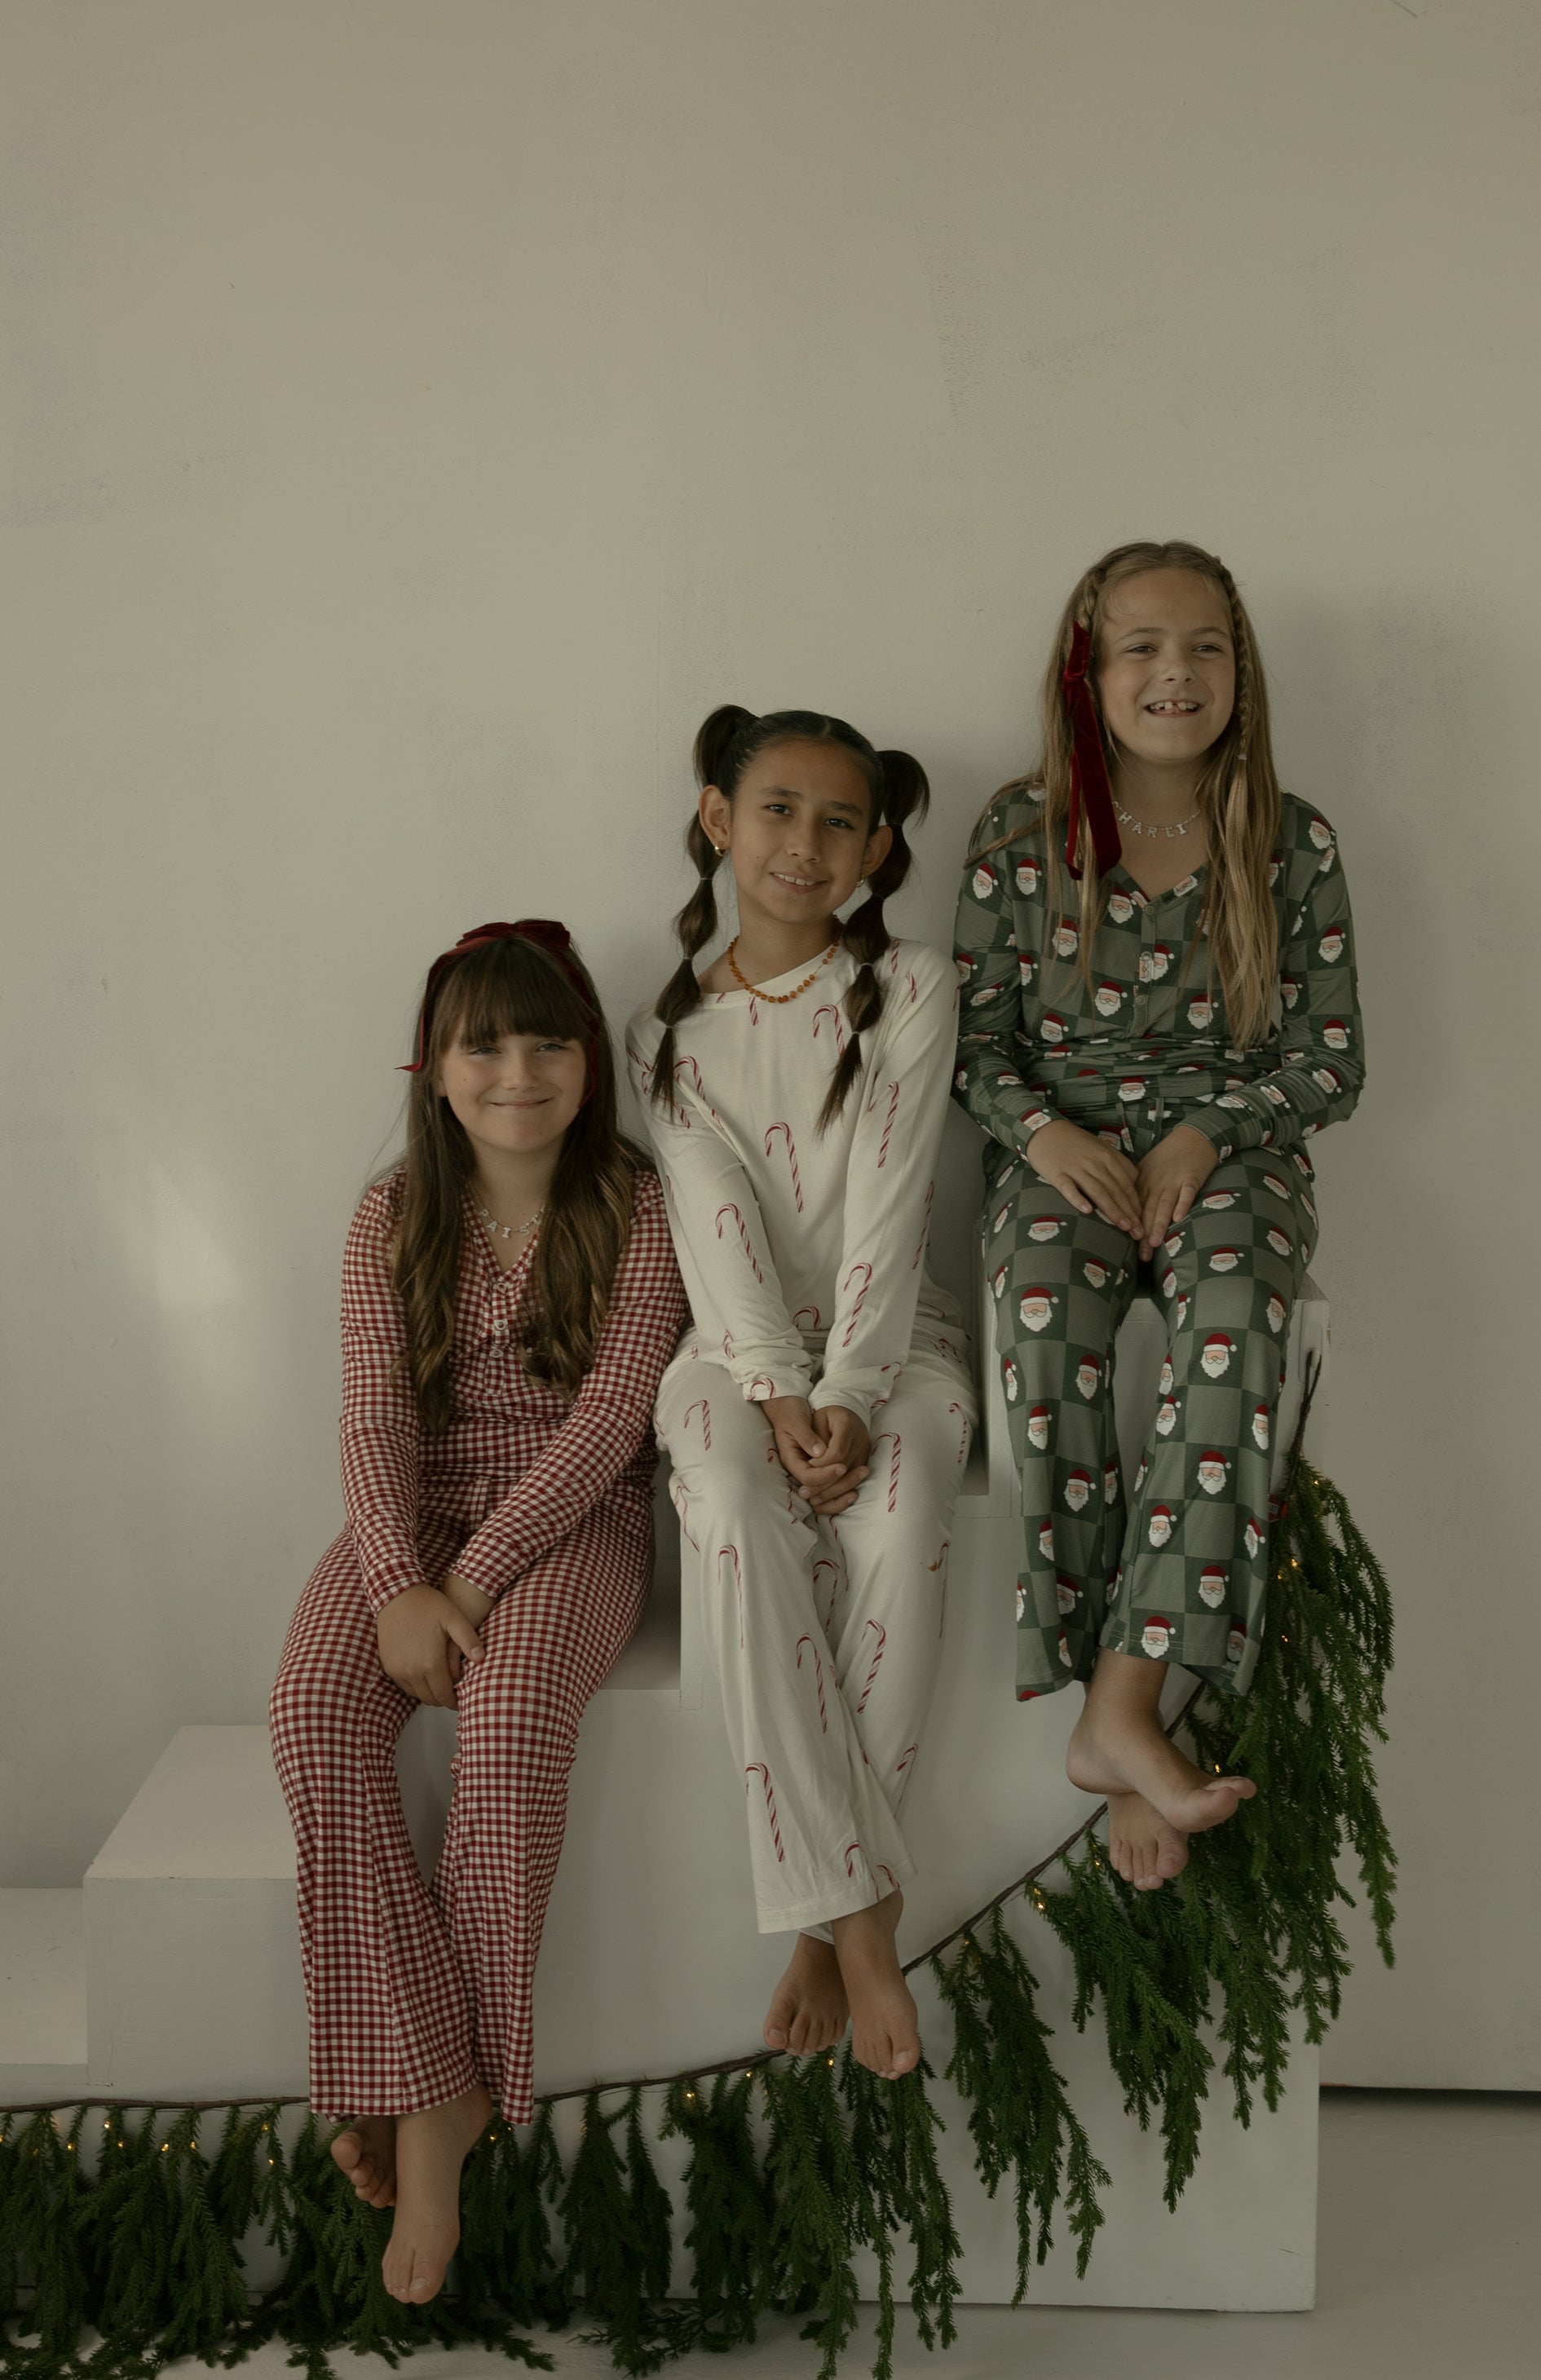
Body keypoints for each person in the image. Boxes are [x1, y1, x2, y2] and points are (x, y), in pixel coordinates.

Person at [270, 920, 686, 2305]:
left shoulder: (638, 1202)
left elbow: (609, 1423)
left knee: (505, 1730)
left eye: (548, 1040)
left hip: (571, 1525)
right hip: (415, 1518)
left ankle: (443, 2121)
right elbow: (372, 1412)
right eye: (485, 1044)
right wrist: (397, 1578)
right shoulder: (392, 1213)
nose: (518, 1071)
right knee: (314, 1713)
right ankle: (424, 2072)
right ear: (435, 1069)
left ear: (589, 1060)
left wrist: (471, 1582)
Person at [952, 541, 1363, 1894]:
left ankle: (1124, 1701)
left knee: (1236, 1313)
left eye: (1202, 648)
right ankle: (1122, 1729)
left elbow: (1328, 1057)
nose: (1173, 675)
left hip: (1230, 1143)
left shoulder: (1288, 840)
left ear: (1238, 670)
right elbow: (970, 1045)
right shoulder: (1019, 834)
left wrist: (1207, 1129)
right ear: (1087, 668)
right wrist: (1045, 1134)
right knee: (1038, 1319)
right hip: (1061, 1148)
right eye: (1140, 647)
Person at [628, 707, 975, 2082]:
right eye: (775, 810)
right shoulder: (667, 1031)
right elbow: (712, 1223)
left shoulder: (915, 984)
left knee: (899, 1518)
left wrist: (853, 1392)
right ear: (718, 818)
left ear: (877, 846)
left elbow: (891, 1198)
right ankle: (866, 1913)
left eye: (839, 821)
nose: (802, 844)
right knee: (723, 1499)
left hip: (899, 1340)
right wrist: (775, 1395)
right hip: (733, 1348)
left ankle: (823, 1922)